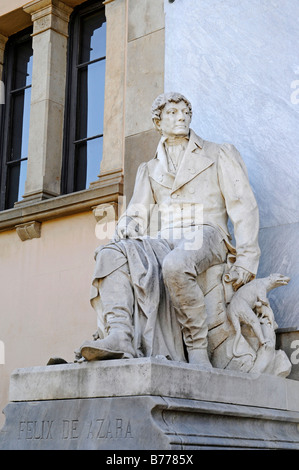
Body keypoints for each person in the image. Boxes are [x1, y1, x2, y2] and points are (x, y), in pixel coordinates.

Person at [78, 92, 260, 370]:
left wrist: (247, 258)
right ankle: (120, 335)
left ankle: (197, 348)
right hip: (165, 238)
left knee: (176, 265)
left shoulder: (218, 152)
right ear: (158, 122)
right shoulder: (149, 169)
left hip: (208, 233)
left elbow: (243, 205)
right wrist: (126, 225)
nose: (181, 117)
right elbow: (138, 211)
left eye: (185, 112)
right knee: (109, 253)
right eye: (173, 113)